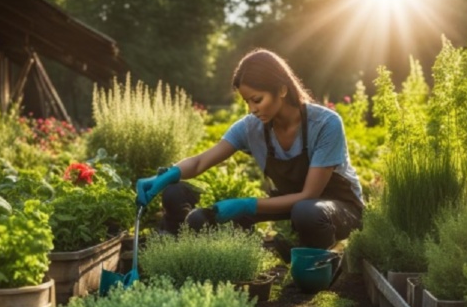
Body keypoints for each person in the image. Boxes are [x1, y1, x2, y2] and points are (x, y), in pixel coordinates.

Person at [135, 48, 364, 262]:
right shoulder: (251, 127)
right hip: (292, 202)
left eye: (257, 100)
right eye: (247, 102)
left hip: (338, 208)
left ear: (282, 90)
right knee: (200, 220)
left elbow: (310, 194)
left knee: (307, 212)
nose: (252, 109)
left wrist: (246, 204)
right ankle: (236, 265)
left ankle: (318, 262)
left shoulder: (325, 123)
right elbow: (201, 161)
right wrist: (167, 176)